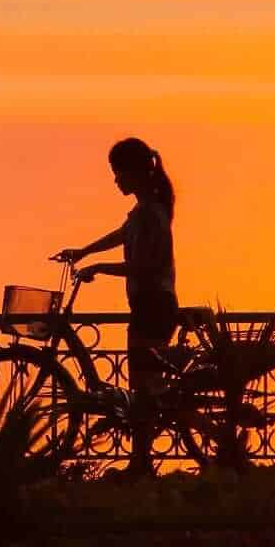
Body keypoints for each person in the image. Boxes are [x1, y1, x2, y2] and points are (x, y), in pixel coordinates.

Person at [54, 137, 178, 474]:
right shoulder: (144, 211)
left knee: (145, 391)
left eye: (118, 172)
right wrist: (85, 252)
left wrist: (98, 268)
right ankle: (141, 461)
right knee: (145, 389)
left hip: (152, 308)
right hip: (149, 307)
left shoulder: (150, 214)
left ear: (134, 172)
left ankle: (143, 462)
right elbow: (120, 236)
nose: (116, 180)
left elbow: (144, 266)